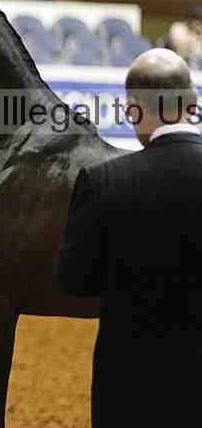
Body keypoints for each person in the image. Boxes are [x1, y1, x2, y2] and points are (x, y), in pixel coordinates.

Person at [56, 48, 202, 428]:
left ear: (135, 110)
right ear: (193, 105)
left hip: (129, 386)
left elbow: (74, 281)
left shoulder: (102, 182)